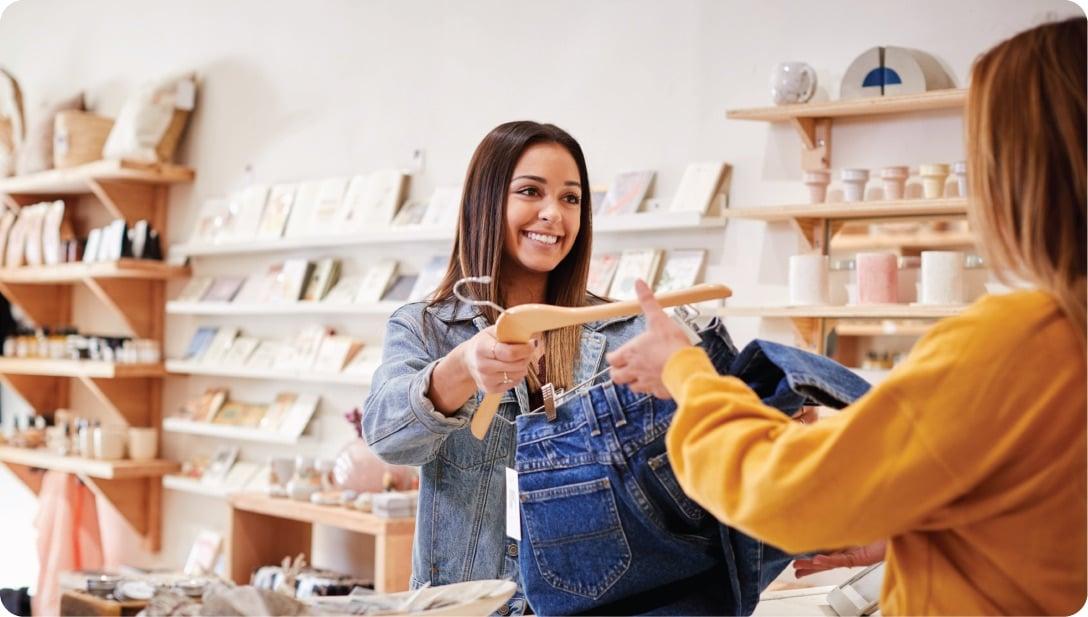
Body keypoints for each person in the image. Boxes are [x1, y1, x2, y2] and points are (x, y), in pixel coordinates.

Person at [607, 17, 1086, 616]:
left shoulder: (1016, 341)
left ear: (1017, 170)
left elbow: (782, 489)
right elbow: (1029, 517)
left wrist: (687, 372)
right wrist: (913, 527)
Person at [362, 121, 645, 614]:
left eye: (571, 198)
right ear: (485, 201)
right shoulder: (426, 328)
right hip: (464, 606)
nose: (553, 214)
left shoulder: (621, 331)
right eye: (530, 191)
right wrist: (462, 368)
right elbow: (387, 436)